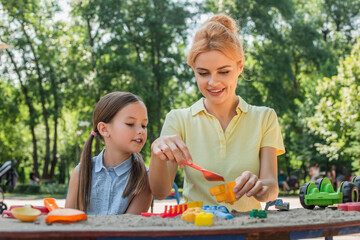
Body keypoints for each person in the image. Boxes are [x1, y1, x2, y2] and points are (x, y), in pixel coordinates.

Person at [149, 14, 285, 212]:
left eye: (223, 72)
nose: (213, 82)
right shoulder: (178, 120)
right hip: (195, 228)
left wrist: (259, 186)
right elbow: (160, 191)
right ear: (193, 70)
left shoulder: (264, 118)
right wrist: (156, 153)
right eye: (203, 73)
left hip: (247, 229)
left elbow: (271, 187)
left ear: (240, 66)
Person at [65, 92, 152, 215]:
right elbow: (68, 222)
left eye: (144, 125)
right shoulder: (80, 172)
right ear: (104, 129)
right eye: (130, 124)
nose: (141, 131)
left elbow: (129, 227)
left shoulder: (145, 178)